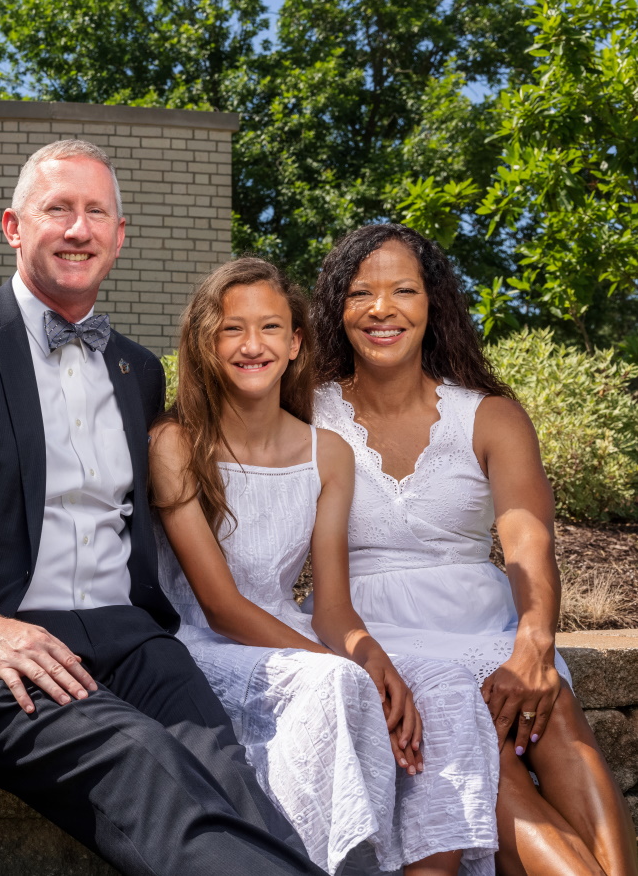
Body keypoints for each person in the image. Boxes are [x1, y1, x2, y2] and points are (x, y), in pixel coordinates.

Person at [0, 139, 325, 876]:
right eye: (58, 209)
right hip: (0, 649)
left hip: (131, 638)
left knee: (234, 781)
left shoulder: (137, 371)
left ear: (120, 237)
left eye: (97, 213)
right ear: (13, 226)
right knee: (145, 765)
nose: (78, 229)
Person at [150, 257, 499, 876]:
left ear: (296, 343)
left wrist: (374, 658)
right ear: (205, 343)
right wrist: (350, 671)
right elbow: (220, 606)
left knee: (441, 682)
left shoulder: (327, 453)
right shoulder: (176, 444)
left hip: (294, 634)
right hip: (203, 643)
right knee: (336, 684)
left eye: (271, 329)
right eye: (232, 329)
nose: (252, 345)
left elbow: (332, 606)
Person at [309, 223, 638, 876]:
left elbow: (527, 536)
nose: (382, 309)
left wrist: (535, 642)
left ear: (434, 304)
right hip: (376, 632)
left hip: (481, 622)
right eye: (360, 293)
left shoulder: (488, 415)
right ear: (335, 309)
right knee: (500, 775)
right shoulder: (307, 413)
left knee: (556, 716)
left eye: (403, 290)